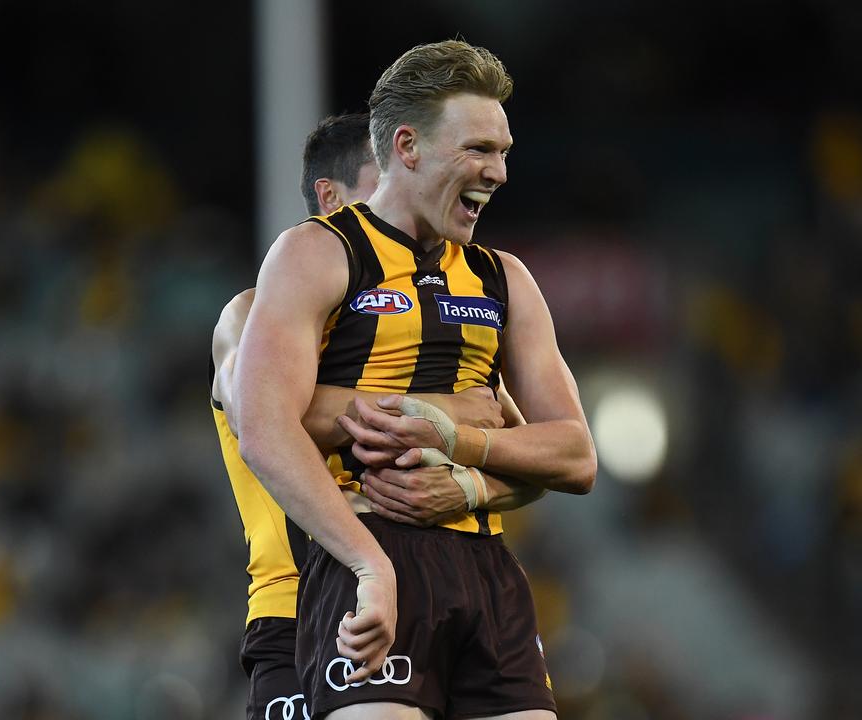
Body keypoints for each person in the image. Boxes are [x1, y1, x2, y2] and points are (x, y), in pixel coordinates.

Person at [234, 41, 596, 719]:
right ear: (407, 147)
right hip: (368, 548)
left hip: (487, 565)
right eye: (480, 150)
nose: (500, 171)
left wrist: (460, 452)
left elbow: (576, 454)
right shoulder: (319, 252)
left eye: (504, 151)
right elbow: (263, 422)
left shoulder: (504, 277)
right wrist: (370, 565)